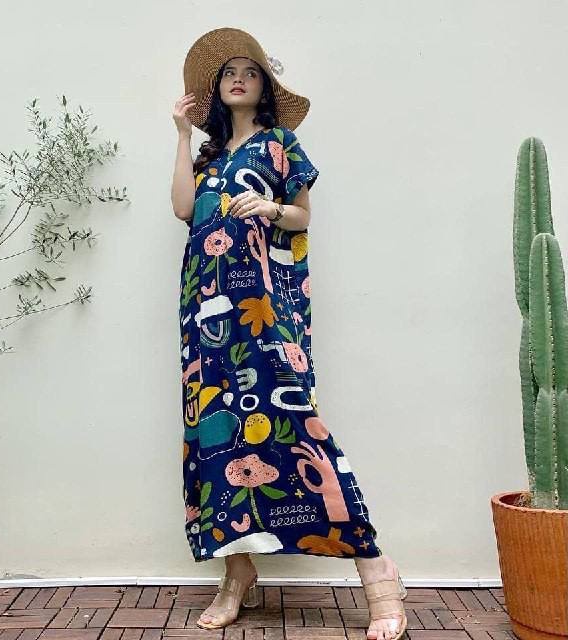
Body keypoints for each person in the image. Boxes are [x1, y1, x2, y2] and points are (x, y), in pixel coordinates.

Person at [171, 27, 408, 638]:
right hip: (204, 314)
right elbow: (183, 210)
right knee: (216, 438)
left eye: (249, 72)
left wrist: (271, 209)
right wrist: (181, 135)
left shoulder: (281, 144)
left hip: (263, 309)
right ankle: (237, 573)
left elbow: (303, 215)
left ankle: (376, 566)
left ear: (265, 87)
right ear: (216, 91)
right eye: (228, 74)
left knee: (295, 424)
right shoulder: (208, 158)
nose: (238, 80)